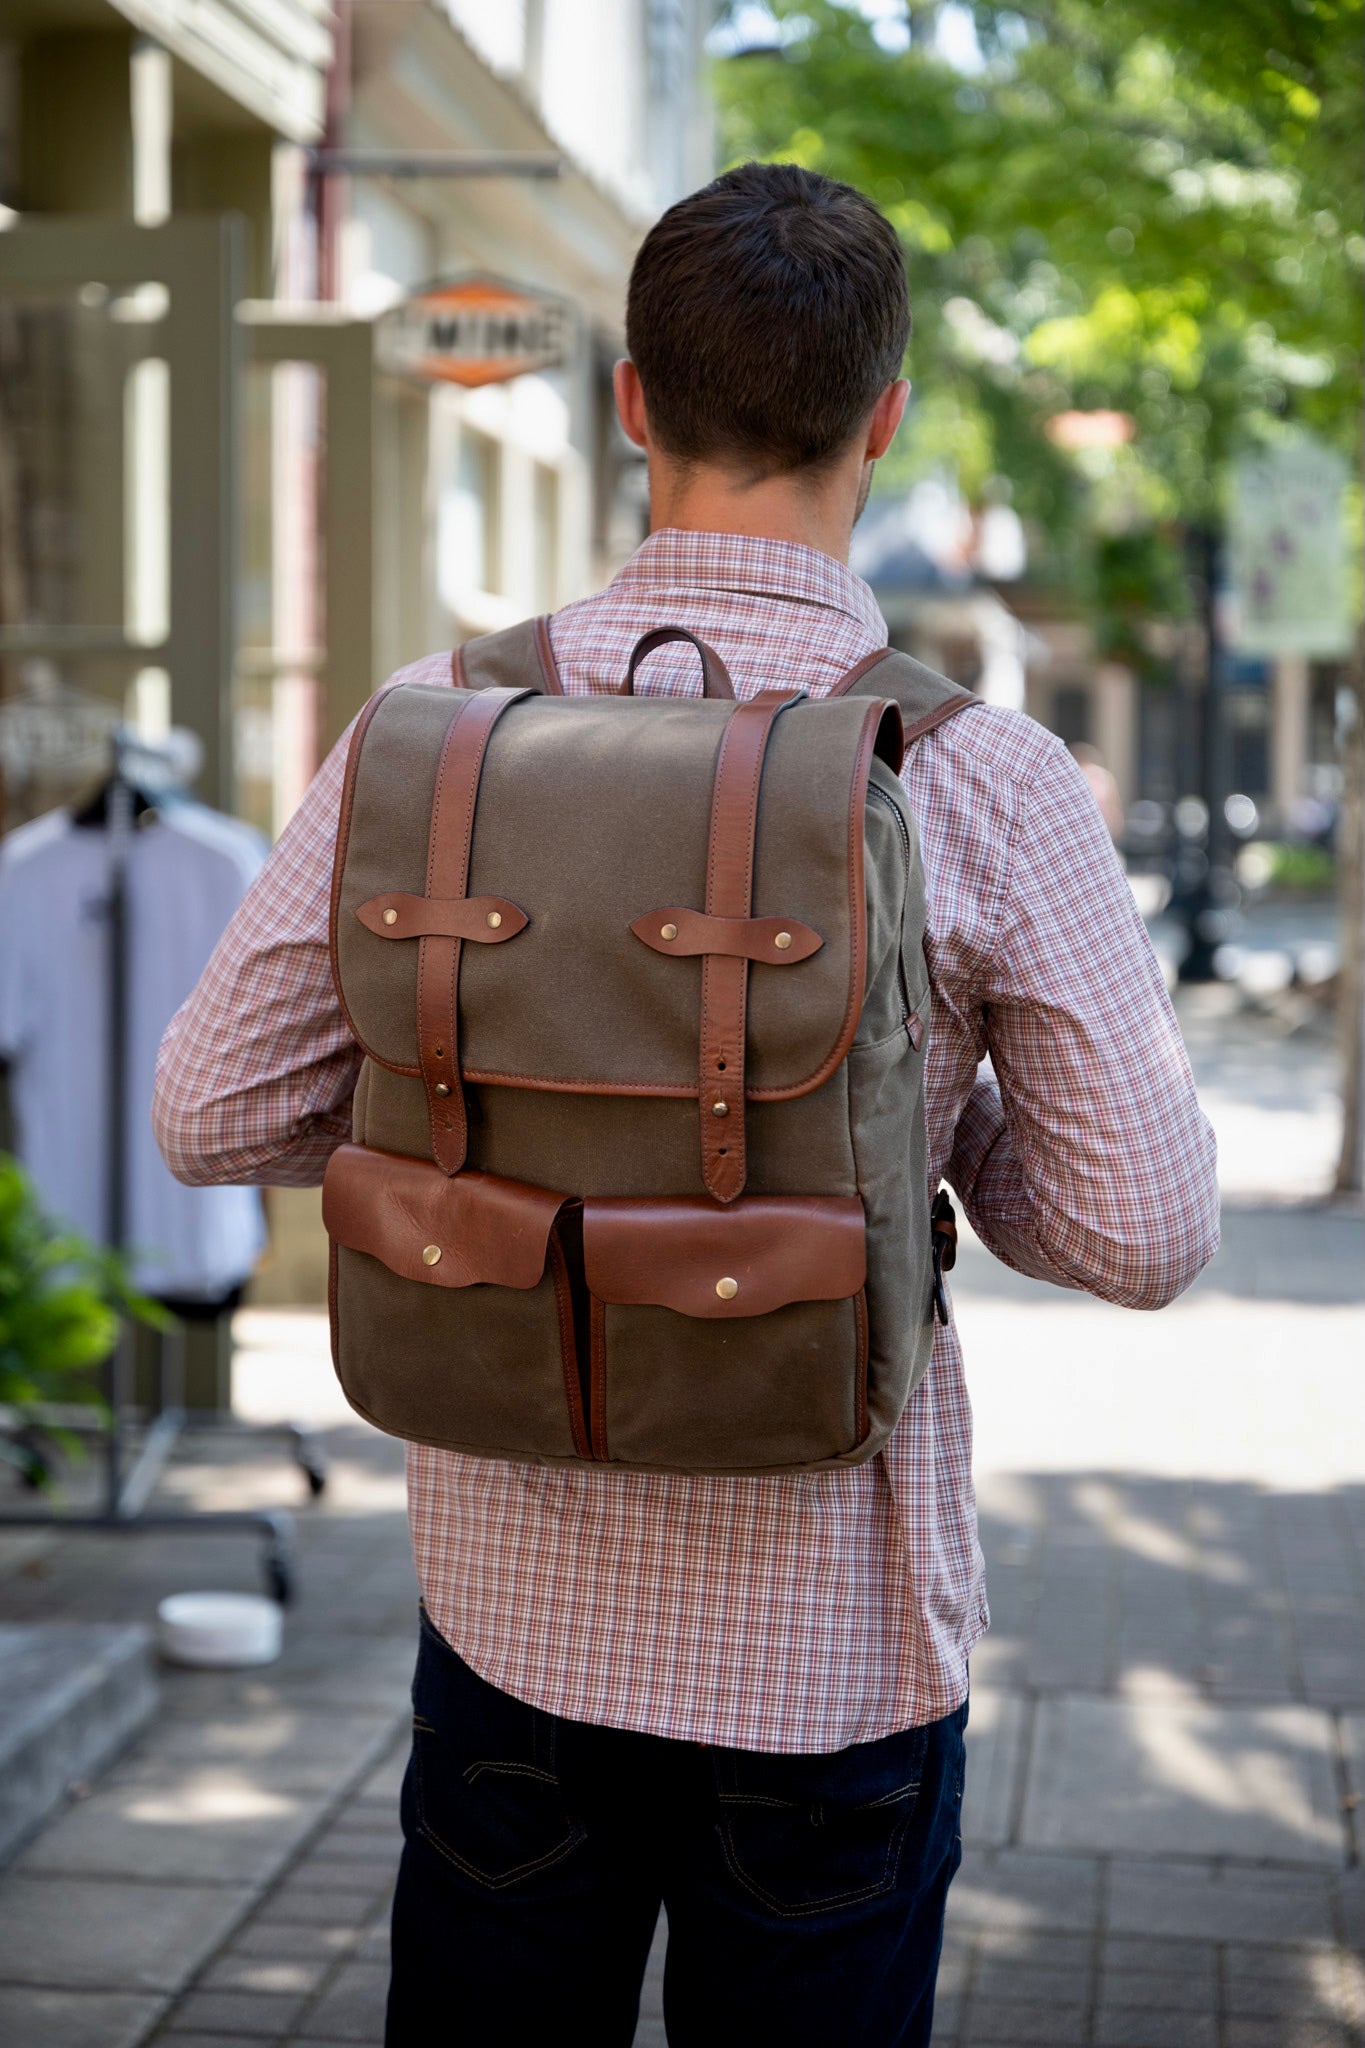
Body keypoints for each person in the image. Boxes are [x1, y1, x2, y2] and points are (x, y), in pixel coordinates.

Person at [153, 162, 1219, 2048]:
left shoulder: (438, 725)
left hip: (510, 1622)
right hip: (830, 1649)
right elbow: (1143, 1233)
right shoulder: (980, 774)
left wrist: (464, 1111)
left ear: (630, 401)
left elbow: (210, 1109)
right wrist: (910, 1126)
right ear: (882, 422)